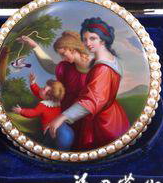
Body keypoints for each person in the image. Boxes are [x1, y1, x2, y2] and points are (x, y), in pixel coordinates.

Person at [45, 17, 130, 150]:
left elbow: (91, 100)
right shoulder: (106, 61)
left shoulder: (103, 68)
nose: (87, 43)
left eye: (92, 38)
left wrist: (61, 117)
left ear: (102, 40)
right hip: (106, 115)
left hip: (103, 123)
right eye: (85, 39)